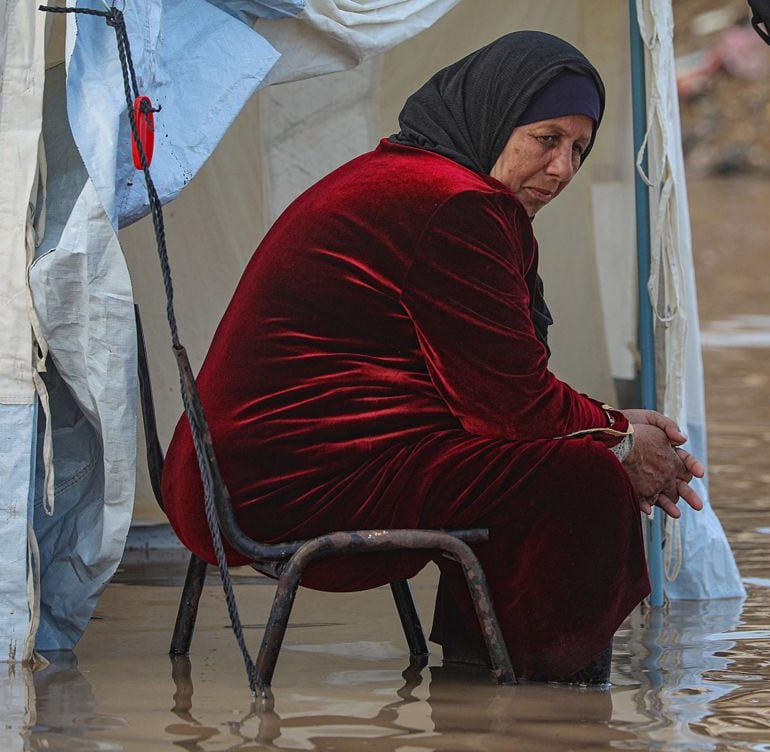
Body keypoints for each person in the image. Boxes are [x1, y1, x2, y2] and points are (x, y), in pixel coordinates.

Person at [160, 30, 704, 685]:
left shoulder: (411, 176)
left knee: (559, 459)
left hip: (227, 475)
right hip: (280, 488)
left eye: (580, 149)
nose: (563, 168)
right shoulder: (457, 206)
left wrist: (614, 428)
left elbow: (491, 390)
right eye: (547, 138)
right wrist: (619, 440)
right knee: (580, 479)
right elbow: (514, 407)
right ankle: (542, 698)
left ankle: (481, 668)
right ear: (497, 117)